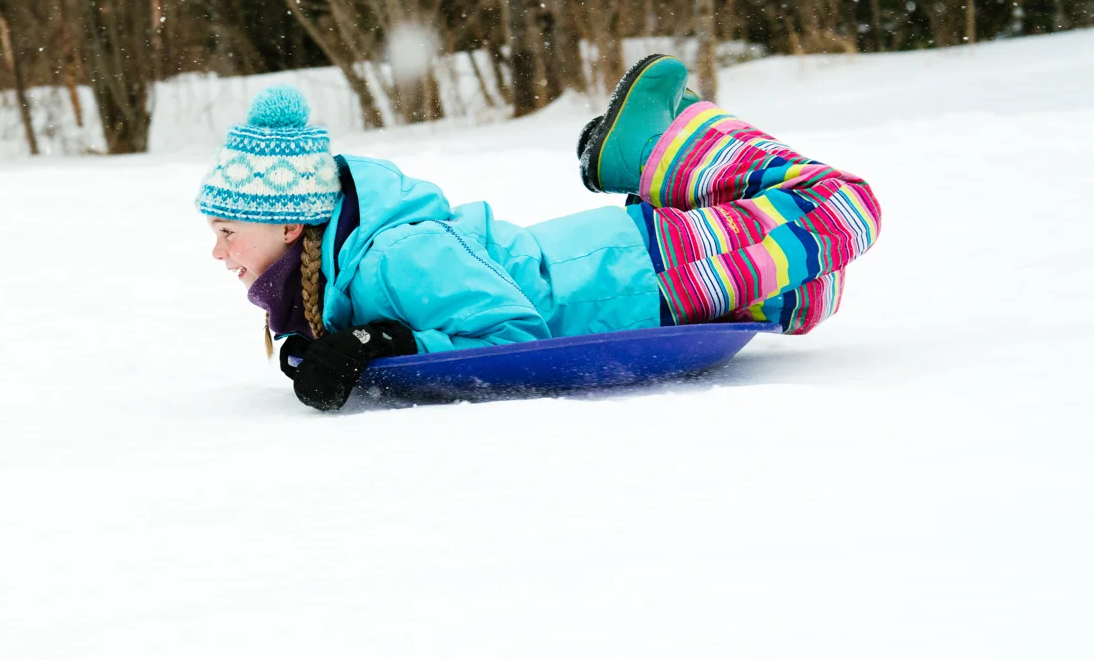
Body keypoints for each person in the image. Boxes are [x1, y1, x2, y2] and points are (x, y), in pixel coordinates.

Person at [199, 55, 882, 411]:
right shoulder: (335, 288)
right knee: (808, 297)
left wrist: (391, 343)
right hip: (639, 281)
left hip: (641, 272)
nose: (218, 251)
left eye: (228, 230)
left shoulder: (397, 255)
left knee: (841, 209)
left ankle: (650, 150)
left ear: (290, 224)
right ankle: (658, 151)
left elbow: (514, 333)